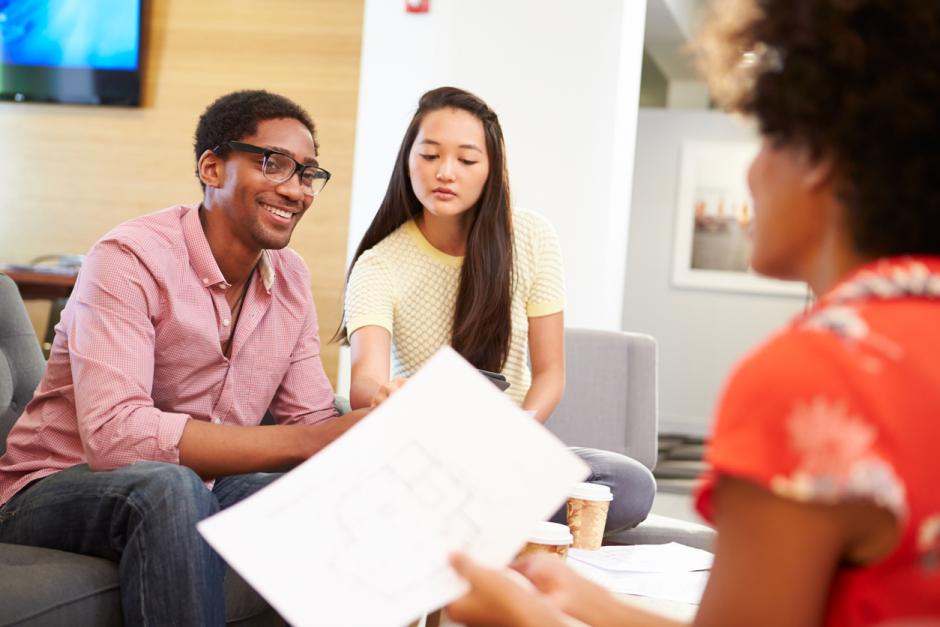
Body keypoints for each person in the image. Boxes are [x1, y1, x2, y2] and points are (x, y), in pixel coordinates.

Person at [445, 0, 940, 625]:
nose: (754, 174)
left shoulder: (814, 377)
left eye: (766, 141)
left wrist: (522, 619)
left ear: (817, 156)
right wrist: (596, 608)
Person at [0, 90, 370, 625]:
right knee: (167, 488)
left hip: (198, 485)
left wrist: (384, 433)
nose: (295, 190)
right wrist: (309, 439)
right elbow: (117, 437)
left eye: (308, 174)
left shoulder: (291, 279)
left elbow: (310, 419)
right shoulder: (129, 259)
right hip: (51, 487)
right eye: (274, 164)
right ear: (212, 168)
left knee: (305, 495)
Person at [339, 86, 656, 536]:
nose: (445, 172)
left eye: (466, 160)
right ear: (407, 159)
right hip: (426, 453)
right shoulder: (379, 263)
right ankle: (478, 520)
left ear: (490, 169)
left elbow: (550, 372)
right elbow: (364, 380)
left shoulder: (531, 237)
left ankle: (460, 519)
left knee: (626, 483)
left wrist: (519, 435)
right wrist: (385, 394)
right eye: (429, 155)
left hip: (508, 455)